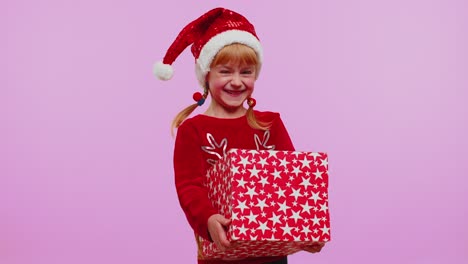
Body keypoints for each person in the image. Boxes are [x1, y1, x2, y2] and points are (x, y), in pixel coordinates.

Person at [154, 7, 325, 264]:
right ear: (206, 75)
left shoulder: (270, 124)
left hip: (272, 257)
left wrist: (306, 227)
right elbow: (189, 187)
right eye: (225, 71)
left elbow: (292, 182)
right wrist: (208, 218)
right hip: (220, 255)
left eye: (246, 72)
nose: (237, 81)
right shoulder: (193, 130)